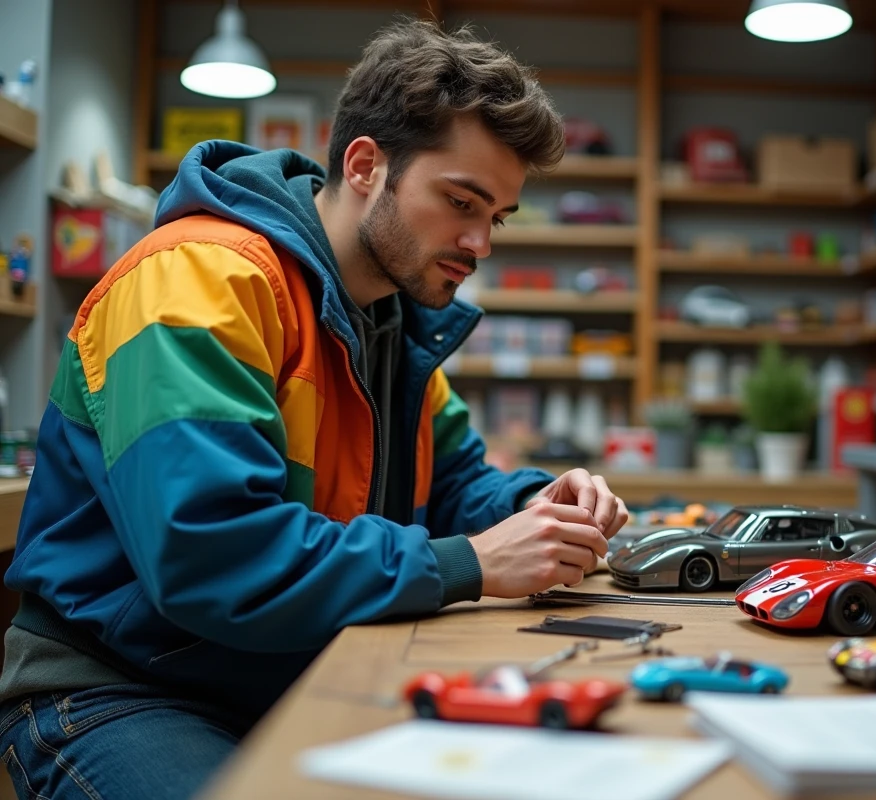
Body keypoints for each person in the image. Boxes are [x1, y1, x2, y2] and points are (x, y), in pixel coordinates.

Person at [0, 18, 628, 800]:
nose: (480, 242)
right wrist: (468, 562)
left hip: (285, 672)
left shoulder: (394, 323)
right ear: (366, 165)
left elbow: (457, 486)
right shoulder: (197, 283)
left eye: (495, 216)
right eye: (461, 201)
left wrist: (537, 504)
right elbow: (214, 555)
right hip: (117, 692)